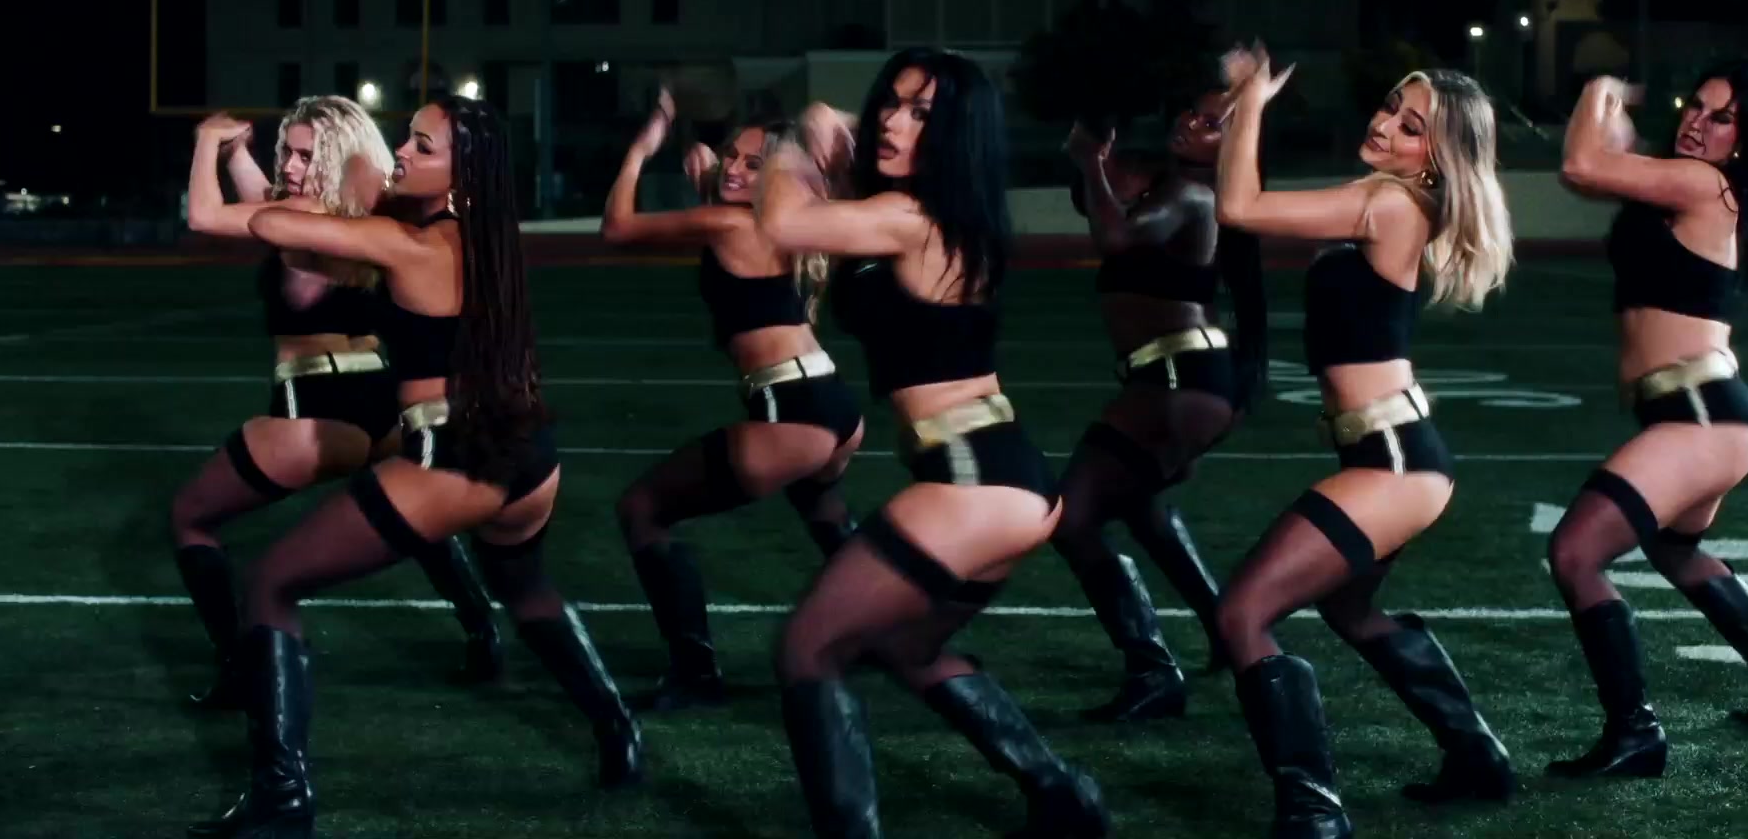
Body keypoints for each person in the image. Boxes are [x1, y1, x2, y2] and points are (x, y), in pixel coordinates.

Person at [188, 96, 640, 839]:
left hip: (452, 454)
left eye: (422, 146)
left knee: (270, 582)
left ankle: (283, 799)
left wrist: (246, 154)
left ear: (461, 173)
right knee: (526, 589)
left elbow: (247, 222)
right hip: (530, 455)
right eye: (407, 138)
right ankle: (617, 728)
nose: (401, 150)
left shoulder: (408, 244)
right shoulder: (485, 238)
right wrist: (338, 183)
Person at [758, 49, 1108, 838]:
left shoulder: (912, 220)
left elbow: (780, 223)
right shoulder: (929, 215)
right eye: (891, 102)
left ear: (956, 134)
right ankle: (1063, 796)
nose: (891, 120)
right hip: (1002, 478)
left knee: (807, 649)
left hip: (971, 480)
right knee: (908, 650)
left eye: (922, 113)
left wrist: (795, 137)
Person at [1212, 50, 1517, 837]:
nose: (1384, 125)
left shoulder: (1388, 201)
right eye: (1390, 107)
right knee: (1349, 609)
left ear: (1436, 157)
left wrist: (1251, 104)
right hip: (1392, 454)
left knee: (1243, 613)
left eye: (1411, 127)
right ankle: (1476, 755)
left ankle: (1314, 812)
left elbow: (1239, 207)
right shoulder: (1388, 198)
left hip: (1393, 461)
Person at [172, 99, 498, 710]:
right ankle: (482, 629)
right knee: (414, 517)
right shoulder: (368, 213)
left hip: (314, 402)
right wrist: (241, 155)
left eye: (306, 155)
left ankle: (240, 668)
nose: (291, 166)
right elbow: (268, 208)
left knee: (190, 516)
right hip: (383, 402)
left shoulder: (306, 214)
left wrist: (207, 141)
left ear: (335, 155)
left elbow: (206, 216)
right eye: (288, 153)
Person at [1548, 64, 1748, 778]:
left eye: (1721, 117)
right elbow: (1599, 168)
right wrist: (1614, 123)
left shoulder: (1704, 185)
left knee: (1575, 553)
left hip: (1699, 416)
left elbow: (1580, 165)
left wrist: (1599, 88)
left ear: (1744, 138)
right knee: (1675, 550)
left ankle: (1635, 732)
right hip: (1700, 415)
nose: (1698, 121)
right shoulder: (1678, 185)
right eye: (1694, 106)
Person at [601, 88, 863, 708]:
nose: (735, 169)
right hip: (831, 401)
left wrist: (641, 149)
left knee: (642, 508)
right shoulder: (785, 225)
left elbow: (618, 229)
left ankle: (695, 673)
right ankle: (895, 632)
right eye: (731, 157)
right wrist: (713, 183)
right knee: (822, 513)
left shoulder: (730, 223)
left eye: (754, 163)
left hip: (790, 411)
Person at [1054, 81, 1270, 722]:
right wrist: (1094, 160)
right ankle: (1224, 630)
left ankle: (1152, 671)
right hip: (1172, 380)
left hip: (1177, 379)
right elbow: (1099, 205)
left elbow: (1117, 239)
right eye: (1192, 112)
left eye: (1212, 123)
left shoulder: (1193, 196)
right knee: (1142, 507)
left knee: (1071, 517)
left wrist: (1089, 162)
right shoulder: (1170, 187)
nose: (1191, 123)